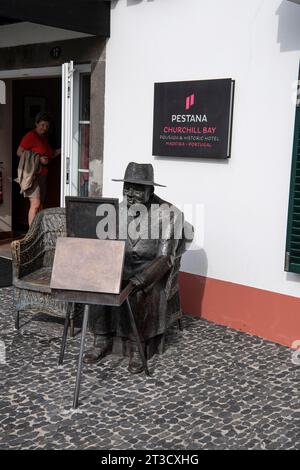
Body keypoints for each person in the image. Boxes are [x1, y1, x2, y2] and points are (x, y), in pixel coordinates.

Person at [84, 162, 193, 373]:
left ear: (150, 190)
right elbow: (105, 244)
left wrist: (142, 279)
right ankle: (102, 339)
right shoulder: (115, 210)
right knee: (100, 284)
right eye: (127, 187)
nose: (130, 194)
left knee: (137, 292)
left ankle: (137, 346)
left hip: (151, 272)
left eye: (137, 188)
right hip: (120, 266)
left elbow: (165, 258)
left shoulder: (169, 214)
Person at [16, 112, 61, 226]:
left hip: (43, 175)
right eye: (42, 125)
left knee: (40, 205)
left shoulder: (44, 138)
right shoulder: (30, 136)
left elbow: (51, 154)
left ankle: (38, 231)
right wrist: (38, 158)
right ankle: (31, 234)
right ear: (36, 124)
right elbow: (19, 152)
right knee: (35, 203)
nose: (44, 128)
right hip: (32, 175)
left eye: (47, 126)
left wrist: (65, 148)